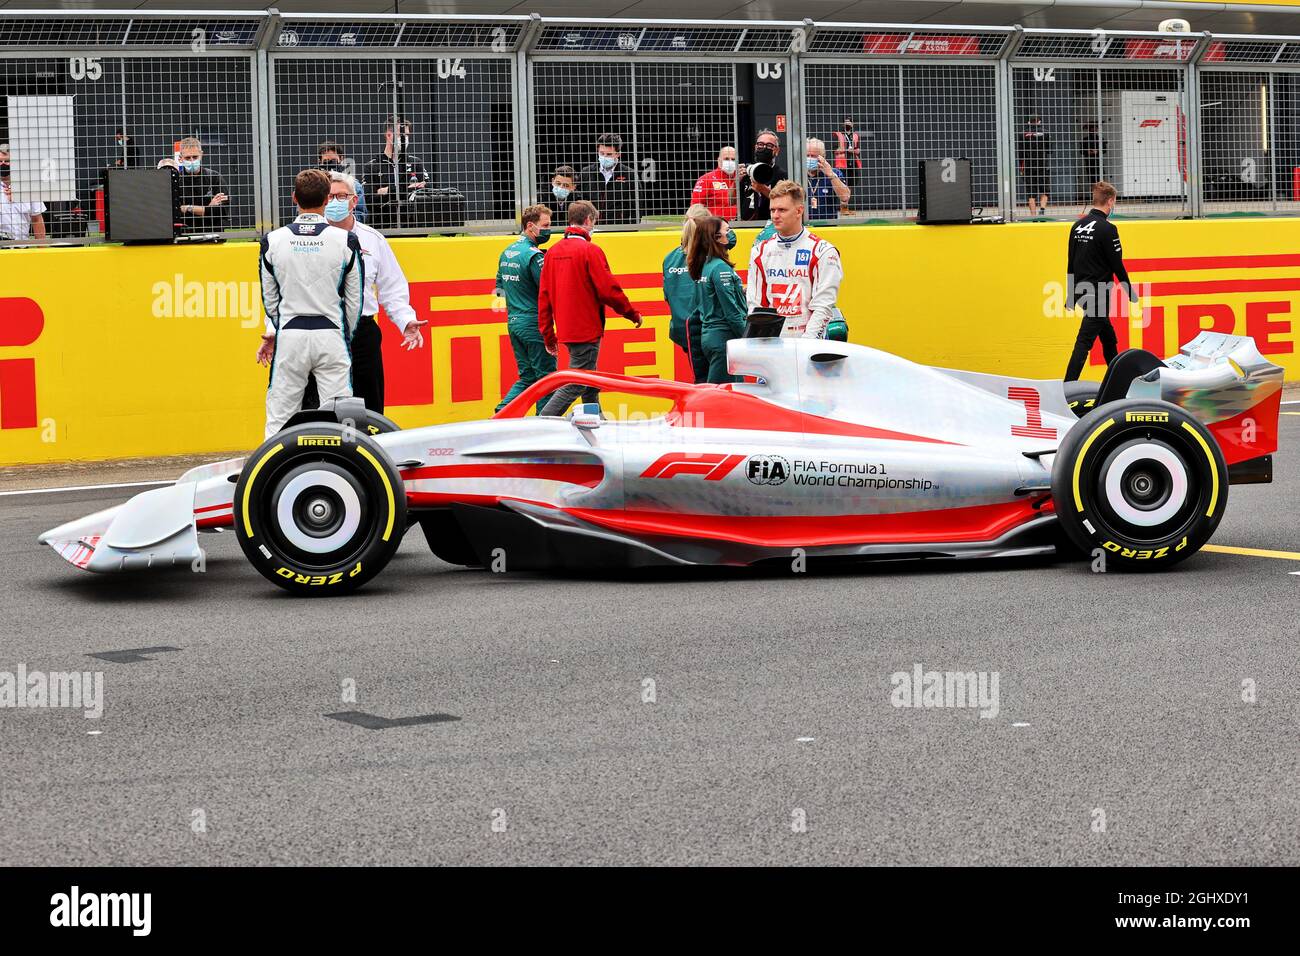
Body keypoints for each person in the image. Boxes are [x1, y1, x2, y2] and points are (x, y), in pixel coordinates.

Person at [303, 170, 427, 414]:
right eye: (330, 196)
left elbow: (392, 288)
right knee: (316, 404)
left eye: (342, 196)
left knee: (368, 403)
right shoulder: (304, 240)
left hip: (361, 333)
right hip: (318, 330)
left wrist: (406, 320)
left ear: (354, 200)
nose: (336, 202)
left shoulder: (373, 240)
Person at [257, 168, 363, 438]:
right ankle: (342, 471)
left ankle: (272, 474)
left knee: (281, 415)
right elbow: (355, 300)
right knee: (339, 415)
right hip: (331, 334)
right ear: (327, 199)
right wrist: (344, 332)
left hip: (291, 334)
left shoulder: (272, 241)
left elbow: (269, 298)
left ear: (294, 198)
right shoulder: (346, 240)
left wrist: (283, 325)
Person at [537, 201, 642, 416]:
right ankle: (542, 422)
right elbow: (609, 289)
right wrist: (631, 313)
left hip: (567, 329)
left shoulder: (552, 252)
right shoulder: (590, 251)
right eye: (594, 221)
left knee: (589, 377)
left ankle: (598, 418)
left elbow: (544, 298)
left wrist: (549, 335)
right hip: (586, 328)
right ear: (588, 220)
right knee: (577, 381)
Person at [746, 180, 844, 339]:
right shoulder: (760, 251)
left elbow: (823, 305)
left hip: (808, 342)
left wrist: (807, 344)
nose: (775, 216)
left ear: (799, 211)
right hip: (772, 343)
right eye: (772, 210)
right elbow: (755, 305)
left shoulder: (823, 251)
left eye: (782, 210)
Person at [1064, 181, 1139, 382]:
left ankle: (1119, 382)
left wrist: (1071, 295)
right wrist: (1129, 291)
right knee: (1084, 342)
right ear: (1111, 201)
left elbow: (1071, 262)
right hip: (1099, 294)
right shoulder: (1108, 229)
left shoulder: (1077, 226)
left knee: (1108, 338)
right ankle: (1067, 388)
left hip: (1081, 291)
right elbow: (1117, 265)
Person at [496, 204, 557, 414]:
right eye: (546, 225)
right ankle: (544, 426)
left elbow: (498, 289)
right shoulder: (534, 256)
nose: (549, 230)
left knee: (528, 378)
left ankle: (500, 414)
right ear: (530, 226)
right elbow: (548, 292)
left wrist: (515, 304)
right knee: (547, 379)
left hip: (514, 323)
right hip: (534, 325)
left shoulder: (507, 252)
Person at [688, 216, 747, 384]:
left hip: (711, 337)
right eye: (727, 231)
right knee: (719, 398)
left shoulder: (705, 264)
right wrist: (748, 338)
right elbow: (732, 312)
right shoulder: (720, 267)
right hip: (724, 340)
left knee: (731, 395)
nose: (732, 234)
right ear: (716, 238)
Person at [663, 204, 713, 384]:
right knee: (711, 383)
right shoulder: (709, 256)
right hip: (705, 329)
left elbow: (667, 295)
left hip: (681, 329)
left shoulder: (670, 257)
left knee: (701, 379)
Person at [364, 115, 428, 230]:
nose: (406, 138)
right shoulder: (372, 166)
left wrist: (387, 190)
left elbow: (426, 194)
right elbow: (369, 202)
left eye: (407, 135)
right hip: (382, 228)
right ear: (389, 135)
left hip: (412, 227)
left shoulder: (416, 163)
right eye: (401, 135)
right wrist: (407, 188)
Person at [577, 132, 636, 225]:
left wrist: (633, 228)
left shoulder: (629, 174)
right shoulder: (586, 172)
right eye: (602, 153)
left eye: (609, 154)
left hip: (618, 228)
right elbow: (579, 201)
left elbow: (636, 205)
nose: (604, 157)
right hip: (591, 227)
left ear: (618, 154)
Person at [175, 137, 229, 232]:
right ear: (180, 158)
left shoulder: (214, 177)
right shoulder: (176, 180)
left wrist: (187, 208)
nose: (191, 161)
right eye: (187, 157)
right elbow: (175, 212)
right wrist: (208, 208)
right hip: (185, 235)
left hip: (213, 234)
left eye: (195, 157)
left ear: (201, 155)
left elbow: (221, 211)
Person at [738, 128, 788, 222]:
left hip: (770, 223)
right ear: (755, 147)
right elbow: (730, 200)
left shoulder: (781, 174)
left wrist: (762, 188)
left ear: (776, 150)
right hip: (745, 224)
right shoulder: (747, 170)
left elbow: (783, 201)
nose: (764, 148)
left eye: (769, 145)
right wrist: (736, 181)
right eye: (760, 144)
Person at [0, 145, 47, 241]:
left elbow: (37, 219)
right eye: (0, 161)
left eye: (7, 161)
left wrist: (42, 251)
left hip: (21, 247)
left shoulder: (28, 187)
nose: (3, 164)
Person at [318, 140, 368, 223]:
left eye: (333, 161)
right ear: (320, 161)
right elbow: (303, 213)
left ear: (341, 159)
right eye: (326, 162)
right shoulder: (312, 185)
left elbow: (361, 214)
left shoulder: (353, 185)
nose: (330, 165)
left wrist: (344, 219)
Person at [804, 138, 851, 221]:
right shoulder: (798, 174)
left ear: (823, 157)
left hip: (828, 224)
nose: (810, 159)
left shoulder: (834, 173)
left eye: (814, 156)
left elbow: (845, 197)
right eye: (807, 155)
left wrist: (830, 175)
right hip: (803, 225)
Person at [690, 147, 739, 220]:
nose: (730, 162)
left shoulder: (741, 179)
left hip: (740, 225)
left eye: (733, 159)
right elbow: (695, 208)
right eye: (726, 159)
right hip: (715, 227)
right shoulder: (706, 179)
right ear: (719, 160)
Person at [1020, 115, 1050, 217]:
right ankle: (1042, 211)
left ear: (1028, 122)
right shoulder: (1045, 132)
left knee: (1030, 192)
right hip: (1042, 164)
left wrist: (1022, 168)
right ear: (1039, 121)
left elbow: (1020, 152)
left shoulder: (1023, 134)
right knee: (1044, 190)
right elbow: (1049, 150)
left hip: (1028, 165)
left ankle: (1033, 215)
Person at [832, 117, 861, 214]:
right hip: (842, 164)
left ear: (853, 124)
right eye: (846, 123)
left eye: (849, 123)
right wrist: (846, 150)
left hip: (853, 163)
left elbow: (857, 149)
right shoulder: (838, 135)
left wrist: (856, 151)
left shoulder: (856, 136)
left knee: (850, 185)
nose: (847, 124)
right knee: (842, 185)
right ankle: (842, 208)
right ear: (843, 125)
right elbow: (835, 150)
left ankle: (846, 207)